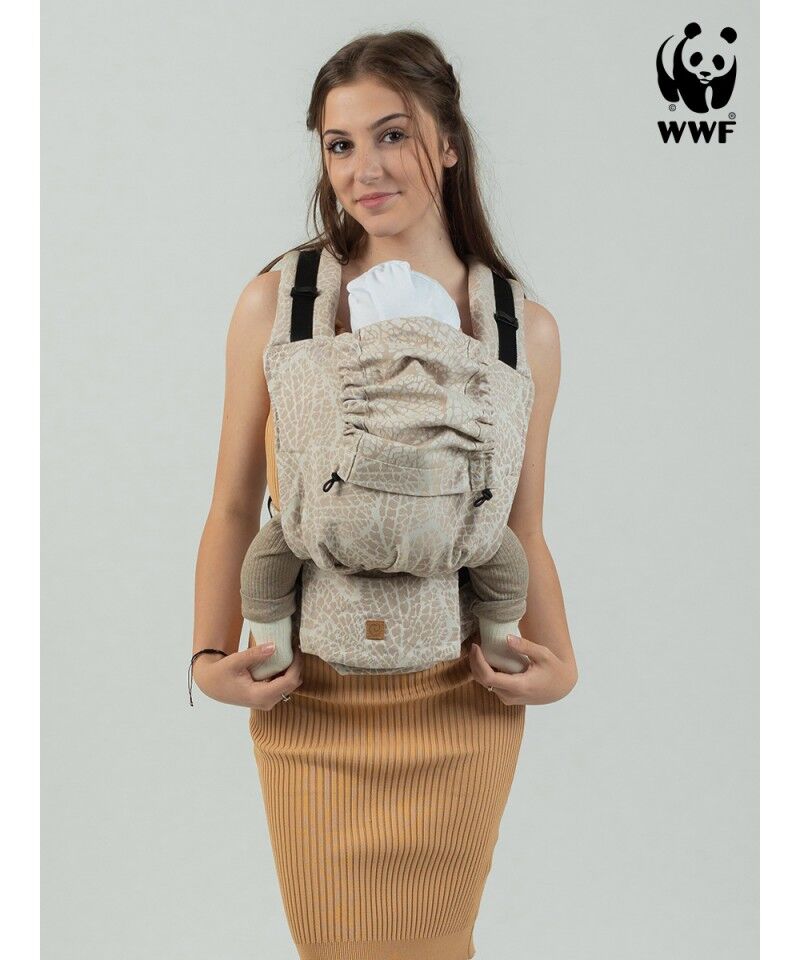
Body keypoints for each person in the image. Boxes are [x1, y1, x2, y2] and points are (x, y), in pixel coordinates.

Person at [190, 28, 578, 960]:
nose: (364, 169)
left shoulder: (522, 329)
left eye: (392, 135)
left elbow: (521, 528)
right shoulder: (277, 304)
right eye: (340, 144)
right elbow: (235, 506)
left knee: (438, 946)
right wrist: (207, 655)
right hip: (310, 696)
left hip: (461, 699)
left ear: (449, 143)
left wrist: (561, 663)